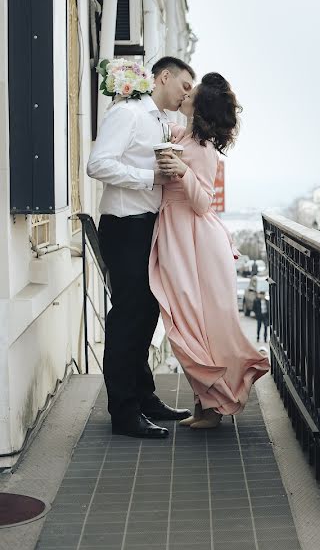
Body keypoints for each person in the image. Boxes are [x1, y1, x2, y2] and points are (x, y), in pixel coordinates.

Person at [151, 73, 270, 429]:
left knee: (198, 324)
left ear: (199, 106)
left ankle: (214, 407)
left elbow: (203, 202)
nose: (186, 92)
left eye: (193, 91)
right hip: (179, 235)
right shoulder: (183, 136)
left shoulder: (202, 151)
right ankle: (207, 406)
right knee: (189, 322)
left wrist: (183, 171)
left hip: (195, 240)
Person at [86, 56, 197, 439]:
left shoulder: (164, 121)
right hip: (123, 226)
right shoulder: (128, 112)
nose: (187, 94)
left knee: (147, 314)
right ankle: (124, 412)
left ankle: (145, 397)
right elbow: (97, 164)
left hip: (148, 226)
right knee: (127, 319)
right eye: (184, 85)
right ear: (163, 76)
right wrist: (149, 177)